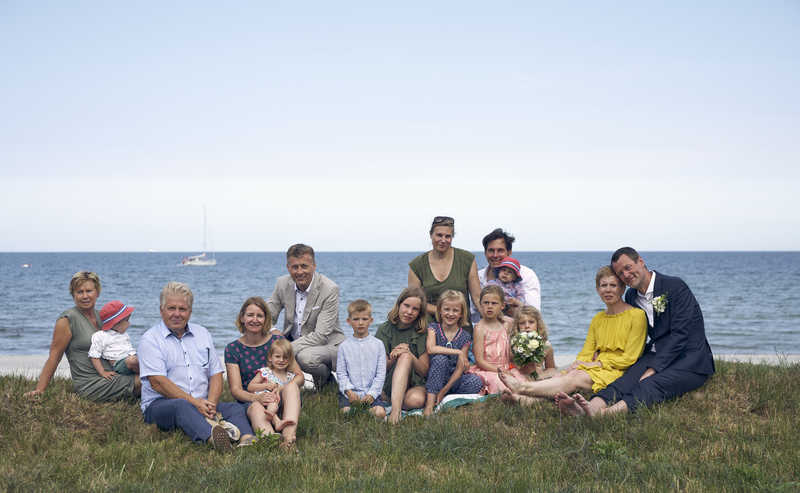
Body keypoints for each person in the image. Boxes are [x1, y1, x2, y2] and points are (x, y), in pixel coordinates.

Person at [557, 247, 715, 417]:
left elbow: (681, 335)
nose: (625, 275)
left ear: (640, 261)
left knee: (648, 384)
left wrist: (653, 368)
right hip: (656, 352)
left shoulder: (675, 287)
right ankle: (588, 407)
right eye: (620, 273)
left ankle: (604, 414)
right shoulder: (632, 296)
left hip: (690, 360)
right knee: (623, 381)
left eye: (628, 267)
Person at [499, 266, 647, 405]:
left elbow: (630, 358)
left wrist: (594, 364)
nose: (608, 290)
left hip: (619, 371)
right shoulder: (598, 318)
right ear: (597, 289)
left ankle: (522, 388)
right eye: (604, 286)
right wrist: (577, 365)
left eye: (613, 285)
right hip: (595, 367)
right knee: (560, 377)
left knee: (574, 378)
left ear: (622, 289)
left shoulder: (637, 315)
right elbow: (587, 352)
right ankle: (525, 401)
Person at [138, 282, 255, 452]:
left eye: (182, 309)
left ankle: (247, 439)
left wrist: (212, 405)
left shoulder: (203, 334)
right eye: (171, 308)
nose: (177, 314)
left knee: (235, 407)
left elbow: (215, 373)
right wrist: (195, 404)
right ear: (161, 310)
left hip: (202, 403)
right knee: (181, 406)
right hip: (161, 405)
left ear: (190, 312)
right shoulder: (150, 340)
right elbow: (158, 383)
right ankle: (214, 440)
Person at [24, 271, 141, 401]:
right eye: (79, 292)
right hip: (92, 383)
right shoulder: (67, 319)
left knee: (154, 375)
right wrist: (40, 390)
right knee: (151, 379)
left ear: (97, 293)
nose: (85, 296)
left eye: (89, 291)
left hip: (115, 374)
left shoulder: (103, 317)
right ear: (73, 295)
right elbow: (54, 357)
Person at [225, 297, 302, 451]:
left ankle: (288, 438)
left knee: (292, 388)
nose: (255, 320)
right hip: (252, 400)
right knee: (256, 408)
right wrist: (258, 397)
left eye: (260, 316)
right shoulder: (233, 349)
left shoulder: (277, 341)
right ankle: (271, 439)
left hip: (282, 399)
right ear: (242, 318)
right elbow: (236, 390)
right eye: (250, 315)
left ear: (266, 319)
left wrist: (282, 388)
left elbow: (299, 376)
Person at [267, 244, 346, 387]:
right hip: (295, 340)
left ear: (314, 265)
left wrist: (285, 348)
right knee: (264, 342)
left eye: (304, 266)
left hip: (328, 343)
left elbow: (321, 335)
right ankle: (269, 387)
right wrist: (273, 331)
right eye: (295, 267)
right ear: (288, 267)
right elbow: (266, 317)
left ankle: (327, 383)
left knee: (306, 358)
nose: (299, 272)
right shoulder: (282, 283)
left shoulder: (329, 289)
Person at [409, 216, 482, 333]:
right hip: (429, 328)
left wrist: (490, 321)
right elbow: (415, 301)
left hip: (460, 325)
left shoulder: (467, 260)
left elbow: (477, 297)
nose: (443, 240)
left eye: (448, 236)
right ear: (430, 234)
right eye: (439, 235)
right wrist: (442, 312)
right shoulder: (417, 265)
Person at [375, 287, 430, 425]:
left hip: (415, 384)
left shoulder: (423, 332)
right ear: (399, 304)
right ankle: (395, 412)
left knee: (416, 400)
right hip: (391, 381)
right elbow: (381, 368)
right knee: (403, 357)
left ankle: (390, 401)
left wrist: (408, 353)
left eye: (415, 309)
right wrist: (395, 357)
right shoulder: (384, 329)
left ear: (420, 313)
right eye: (406, 305)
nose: (409, 312)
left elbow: (423, 371)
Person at [423, 290, 483, 416]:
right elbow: (431, 348)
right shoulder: (433, 328)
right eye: (446, 309)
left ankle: (449, 400)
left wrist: (444, 390)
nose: (450, 314)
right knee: (440, 359)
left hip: (453, 381)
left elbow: (459, 369)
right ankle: (429, 406)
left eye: (455, 310)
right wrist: (458, 352)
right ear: (439, 310)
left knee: (476, 381)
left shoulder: (465, 336)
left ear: (461, 313)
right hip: (435, 377)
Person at [466, 285, 527, 394]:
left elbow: (506, 353)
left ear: (502, 305)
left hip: (506, 368)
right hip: (489, 370)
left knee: (522, 383)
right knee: (501, 385)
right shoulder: (479, 329)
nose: (489, 306)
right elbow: (479, 360)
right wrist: (500, 371)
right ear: (480, 304)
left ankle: (524, 398)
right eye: (486, 303)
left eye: (494, 303)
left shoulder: (505, 326)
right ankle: (512, 398)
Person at [472, 228, 541, 323]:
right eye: (491, 250)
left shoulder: (526, 275)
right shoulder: (477, 277)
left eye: (500, 250)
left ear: (509, 253)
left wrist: (498, 309)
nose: (495, 255)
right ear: (485, 253)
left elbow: (534, 315)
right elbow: (474, 315)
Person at [336, 300, 387, 419]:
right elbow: (341, 373)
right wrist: (349, 392)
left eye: (364, 319)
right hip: (350, 394)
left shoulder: (378, 345)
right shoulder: (344, 346)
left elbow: (380, 374)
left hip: (371, 393)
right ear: (349, 321)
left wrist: (372, 394)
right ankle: (358, 412)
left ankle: (362, 412)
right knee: (344, 413)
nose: (360, 323)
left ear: (371, 321)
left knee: (380, 413)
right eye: (356, 319)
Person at [247, 339, 299, 433]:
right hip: (265, 399)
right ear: (270, 357)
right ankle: (276, 421)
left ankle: (284, 426)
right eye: (278, 356)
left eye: (285, 357)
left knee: (276, 400)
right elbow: (251, 386)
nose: (281, 360)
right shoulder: (266, 372)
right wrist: (267, 386)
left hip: (281, 404)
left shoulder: (290, 376)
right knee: (272, 400)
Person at [88, 300, 140, 380]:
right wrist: (103, 372)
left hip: (132, 357)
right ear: (115, 323)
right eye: (126, 320)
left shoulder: (122, 333)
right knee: (133, 360)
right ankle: (149, 373)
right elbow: (93, 355)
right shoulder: (102, 336)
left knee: (147, 355)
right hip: (119, 363)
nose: (129, 323)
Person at [507, 305, 556, 380]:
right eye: (522, 323)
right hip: (520, 377)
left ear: (538, 324)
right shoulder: (514, 345)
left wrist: (544, 374)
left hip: (539, 377)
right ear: (517, 326)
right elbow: (509, 365)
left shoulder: (546, 345)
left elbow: (551, 367)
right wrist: (523, 370)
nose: (527, 326)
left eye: (531, 322)